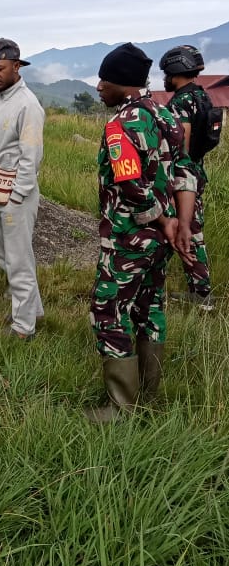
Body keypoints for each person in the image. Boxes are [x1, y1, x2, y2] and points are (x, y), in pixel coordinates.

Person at [87, 43, 197, 423]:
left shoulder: (122, 123)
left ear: (124, 83)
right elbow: (185, 172)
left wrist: (161, 221)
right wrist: (180, 223)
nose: (99, 86)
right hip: (163, 238)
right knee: (150, 305)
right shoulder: (166, 114)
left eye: (106, 79)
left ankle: (121, 407)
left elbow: (131, 185)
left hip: (130, 236)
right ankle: (148, 394)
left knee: (108, 308)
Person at [0, 39, 45, 340]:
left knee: (19, 260)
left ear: (16, 66)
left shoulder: (28, 104)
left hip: (16, 194)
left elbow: (30, 155)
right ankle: (31, 310)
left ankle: (23, 328)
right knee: (8, 258)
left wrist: (17, 196)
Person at [159, 45, 215, 310]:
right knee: (192, 229)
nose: (164, 78)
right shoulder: (202, 97)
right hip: (197, 171)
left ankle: (201, 295)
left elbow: (180, 144)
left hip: (184, 178)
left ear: (174, 70)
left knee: (185, 229)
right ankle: (200, 290)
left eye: (166, 72)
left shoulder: (181, 102)